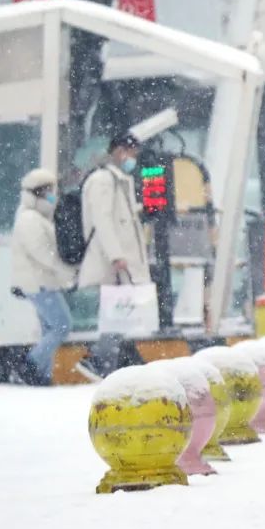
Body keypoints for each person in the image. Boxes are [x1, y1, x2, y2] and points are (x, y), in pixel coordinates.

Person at [75, 133, 151, 381]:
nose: (134, 160)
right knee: (117, 315)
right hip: (111, 261)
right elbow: (103, 220)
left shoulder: (118, 180)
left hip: (120, 261)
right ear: (120, 152)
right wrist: (116, 255)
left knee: (123, 315)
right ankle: (97, 361)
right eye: (132, 154)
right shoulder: (103, 181)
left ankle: (121, 364)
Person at [10, 169, 75, 385]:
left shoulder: (37, 217)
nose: (52, 195)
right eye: (47, 191)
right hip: (38, 283)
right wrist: (65, 269)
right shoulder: (29, 219)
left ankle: (41, 375)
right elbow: (41, 253)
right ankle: (30, 364)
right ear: (35, 194)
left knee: (49, 328)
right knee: (62, 325)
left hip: (42, 282)